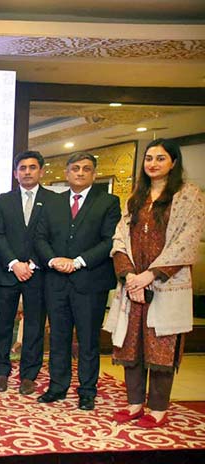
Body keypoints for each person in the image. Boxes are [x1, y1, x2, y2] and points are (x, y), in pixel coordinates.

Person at [105, 139, 205, 427]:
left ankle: (158, 409)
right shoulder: (138, 196)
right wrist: (130, 277)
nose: (152, 164)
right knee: (131, 344)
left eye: (160, 158)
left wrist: (151, 275)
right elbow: (120, 239)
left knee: (161, 345)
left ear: (173, 162)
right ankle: (135, 404)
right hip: (134, 285)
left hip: (165, 284)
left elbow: (185, 243)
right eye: (149, 158)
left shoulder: (188, 196)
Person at [35, 152, 120, 411]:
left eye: (86, 169)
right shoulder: (53, 202)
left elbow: (109, 241)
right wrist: (52, 261)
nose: (80, 173)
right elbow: (40, 238)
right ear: (67, 172)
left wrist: (79, 261)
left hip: (90, 281)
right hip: (56, 280)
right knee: (58, 337)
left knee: (87, 339)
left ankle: (87, 390)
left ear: (94, 174)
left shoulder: (108, 202)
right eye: (75, 168)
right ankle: (58, 387)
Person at [0, 151, 55, 395]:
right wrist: (14, 263)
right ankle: (1, 372)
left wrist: (32, 263)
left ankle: (29, 374)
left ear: (41, 171)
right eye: (22, 168)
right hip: (9, 272)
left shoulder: (52, 200)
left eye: (32, 167)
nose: (27, 172)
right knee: (3, 324)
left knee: (34, 326)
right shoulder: (4, 200)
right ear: (16, 172)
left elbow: (52, 236)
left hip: (38, 273)